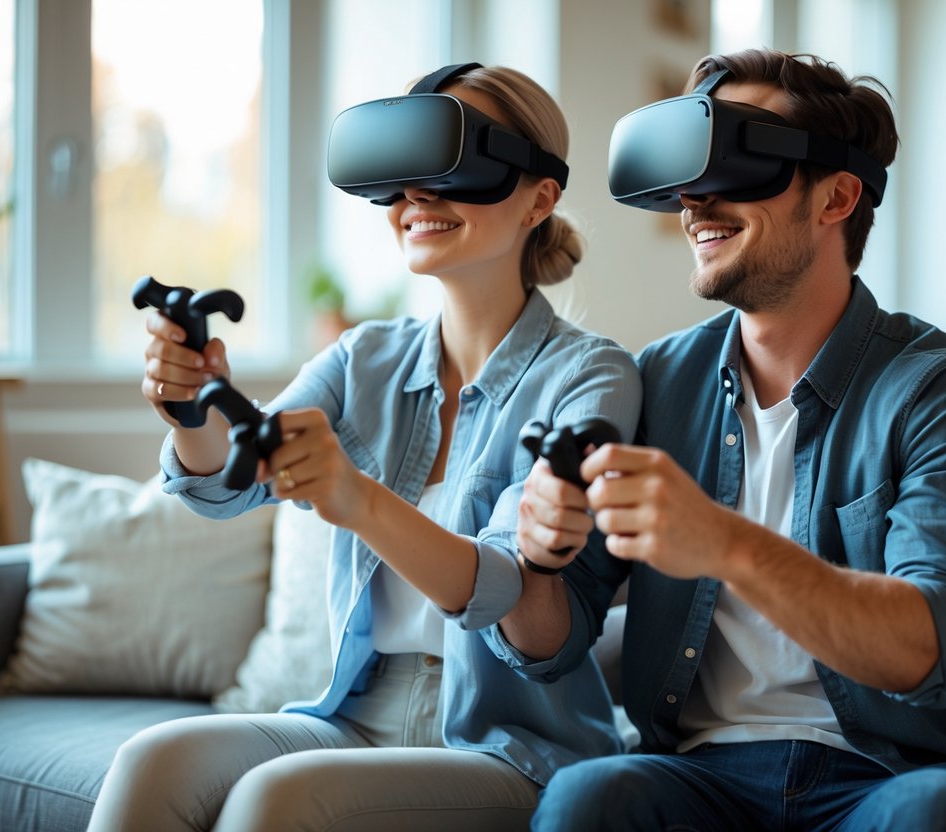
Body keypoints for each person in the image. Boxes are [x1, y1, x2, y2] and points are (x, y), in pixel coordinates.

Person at [88, 63, 640, 832]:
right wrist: (190, 408)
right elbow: (231, 482)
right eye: (404, 175)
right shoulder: (364, 358)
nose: (418, 199)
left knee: (277, 799)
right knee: (154, 760)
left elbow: (513, 589)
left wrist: (359, 500)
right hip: (352, 713)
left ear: (538, 198)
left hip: (509, 746)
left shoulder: (591, 376)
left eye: (454, 170)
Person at [497, 48, 946, 831]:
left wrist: (724, 543)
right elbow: (548, 640)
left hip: (883, 777)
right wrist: (533, 558)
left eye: (738, 164)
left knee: (940, 811)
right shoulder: (658, 380)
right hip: (696, 777)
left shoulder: (942, 389)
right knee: (588, 797)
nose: (695, 202)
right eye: (686, 173)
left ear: (837, 196)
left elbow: (934, 651)